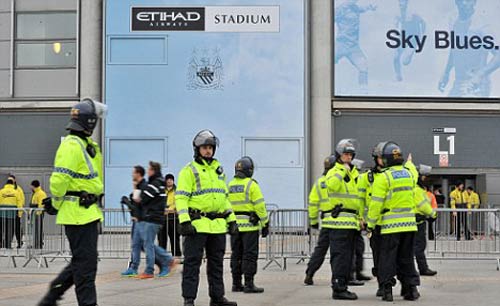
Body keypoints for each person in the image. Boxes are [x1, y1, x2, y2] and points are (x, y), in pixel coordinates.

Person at [38, 98, 107, 306]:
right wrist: (57, 203)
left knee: (83, 263)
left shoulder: (86, 145)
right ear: (90, 123)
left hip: (87, 212)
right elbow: (59, 180)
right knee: (86, 267)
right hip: (77, 214)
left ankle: (51, 297)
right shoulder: (71, 145)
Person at [176, 129, 238, 306]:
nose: (208, 150)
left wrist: (231, 220)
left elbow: (224, 198)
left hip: (217, 226)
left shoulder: (219, 171)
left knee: (217, 265)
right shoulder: (189, 171)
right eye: (204, 147)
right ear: (197, 149)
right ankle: (189, 299)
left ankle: (217, 298)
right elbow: (181, 197)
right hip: (197, 225)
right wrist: (185, 221)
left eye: (210, 147)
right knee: (192, 264)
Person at [367, 141, 420, 302]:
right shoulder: (409, 174)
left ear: (387, 159)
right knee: (407, 257)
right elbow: (414, 173)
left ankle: (387, 290)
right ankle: (411, 289)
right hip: (410, 225)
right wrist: (410, 163)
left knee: (387, 258)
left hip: (390, 226)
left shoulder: (384, 177)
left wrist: (370, 223)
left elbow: (376, 203)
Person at [323, 139, 362, 300]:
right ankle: (338, 288)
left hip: (351, 223)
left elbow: (357, 198)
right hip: (339, 223)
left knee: (348, 258)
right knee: (340, 257)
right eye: (346, 154)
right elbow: (331, 186)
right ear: (339, 155)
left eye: (351, 154)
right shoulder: (335, 171)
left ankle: (343, 285)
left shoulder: (354, 173)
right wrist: (342, 171)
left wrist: (360, 218)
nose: (349, 157)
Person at [438, 0, 500, 97]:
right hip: (458, 82)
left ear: (474, 2)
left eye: (468, 0)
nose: (463, 3)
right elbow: (455, 48)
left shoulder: (482, 25)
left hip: (476, 86)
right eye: (460, 0)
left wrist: (479, 75)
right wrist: (446, 73)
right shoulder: (454, 21)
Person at [228, 156, 269, 294]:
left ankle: (236, 283)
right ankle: (249, 284)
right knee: (249, 255)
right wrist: (265, 223)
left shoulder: (230, 185)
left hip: (234, 227)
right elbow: (260, 206)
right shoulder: (251, 185)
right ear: (249, 170)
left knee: (236, 255)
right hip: (249, 227)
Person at [121, 165, 166, 277]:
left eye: (134, 172)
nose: (132, 174)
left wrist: (128, 203)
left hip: (144, 220)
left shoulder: (145, 186)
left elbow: (140, 203)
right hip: (138, 219)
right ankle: (133, 267)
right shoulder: (139, 185)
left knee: (147, 244)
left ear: (138, 174)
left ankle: (160, 264)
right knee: (136, 244)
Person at [304, 155, 335, 286]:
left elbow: (313, 203)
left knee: (320, 250)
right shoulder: (337, 180)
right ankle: (339, 278)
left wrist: (313, 221)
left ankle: (310, 273)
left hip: (326, 223)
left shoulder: (319, 182)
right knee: (338, 252)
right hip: (340, 222)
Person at [358, 147, 384, 297]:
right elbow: (360, 200)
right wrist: (361, 217)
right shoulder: (366, 177)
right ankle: (382, 283)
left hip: (391, 223)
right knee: (378, 255)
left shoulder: (391, 175)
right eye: (380, 157)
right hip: (374, 223)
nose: (383, 160)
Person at [334, 0, 377, 91]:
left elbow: (362, 9)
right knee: (326, 63)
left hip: (353, 47)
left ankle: (363, 91)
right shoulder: (341, 9)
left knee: (363, 66)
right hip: (340, 45)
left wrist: (370, 7)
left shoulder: (354, 7)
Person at [413, 166, 437, 276]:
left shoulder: (419, 189)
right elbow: (423, 206)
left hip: (417, 220)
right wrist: (433, 214)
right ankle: (422, 268)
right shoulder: (417, 190)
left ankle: (421, 268)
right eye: (425, 177)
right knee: (419, 246)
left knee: (417, 246)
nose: (427, 179)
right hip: (418, 221)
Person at [393, 0, 426, 81]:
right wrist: (396, 24)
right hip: (404, 36)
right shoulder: (398, 13)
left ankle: (410, 53)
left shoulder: (413, 13)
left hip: (414, 38)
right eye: (399, 3)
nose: (401, 5)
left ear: (407, 3)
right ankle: (398, 75)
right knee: (395, 56)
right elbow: (396, 23)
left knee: (405, 61)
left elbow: (423, 22)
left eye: (403, 3)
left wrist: (422, 34)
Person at [158, 173, 182, 257]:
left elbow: (179, 202)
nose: (169, 181)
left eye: (170, 179)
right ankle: (162, 257)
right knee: (161, 239)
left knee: (174, 238)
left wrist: (171, 209)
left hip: (174, 218)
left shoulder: (177, 190)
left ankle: (177, 256)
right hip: (162, 218)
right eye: (167, 179)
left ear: (173, 181)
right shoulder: (161, 191)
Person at [0, 179, 22, 249]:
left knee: (1, 229)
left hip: (1, 213)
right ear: (13, 184)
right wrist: (20, 213)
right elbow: (19, 203)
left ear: (6, 184)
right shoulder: (16, 192)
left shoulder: (1, 191)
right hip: (12, 214)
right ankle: (8, 244)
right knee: (10, 229)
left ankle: (1, 243)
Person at [8, 174, 25, 249]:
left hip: (16, 211)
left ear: (14, 180)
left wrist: (20, 212)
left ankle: (19, 241)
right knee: (9, 228)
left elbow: (22, 200)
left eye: (12, 179)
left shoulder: (18, 189)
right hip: (9, 212)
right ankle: (8, 242)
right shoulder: (7, 189)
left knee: (17, 228)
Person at [29, 180, 47, 249]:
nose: (30, 187)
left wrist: (38, 213)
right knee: (35, 229)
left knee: (38, 229)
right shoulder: (36, 193)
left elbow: (41, 204)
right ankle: (36, 244)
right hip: (35, 214)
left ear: (33, 186)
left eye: (31, 186)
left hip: (38, 214)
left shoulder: (41, 193)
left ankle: (39, 244)